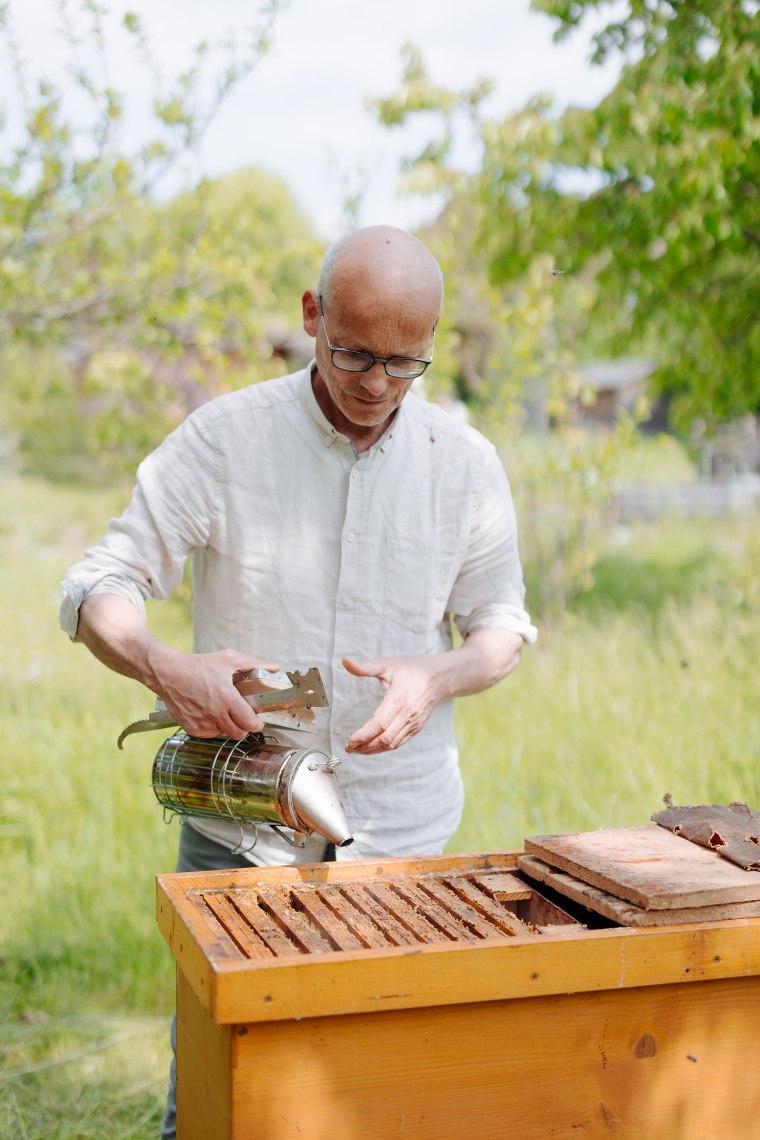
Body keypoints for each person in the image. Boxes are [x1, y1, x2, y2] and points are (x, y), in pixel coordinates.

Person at [60, 225, 537, 1137]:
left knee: (377, 1098)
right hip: (241, 836)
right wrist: (166, 665)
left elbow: (501, 628)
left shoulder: (466, 466)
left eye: (405, 364)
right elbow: (96, 586)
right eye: (354, 352)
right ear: (311, 316)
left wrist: (436, 676)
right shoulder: (226, 439)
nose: (375, 384)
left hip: (402, 833)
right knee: (213, 1102)